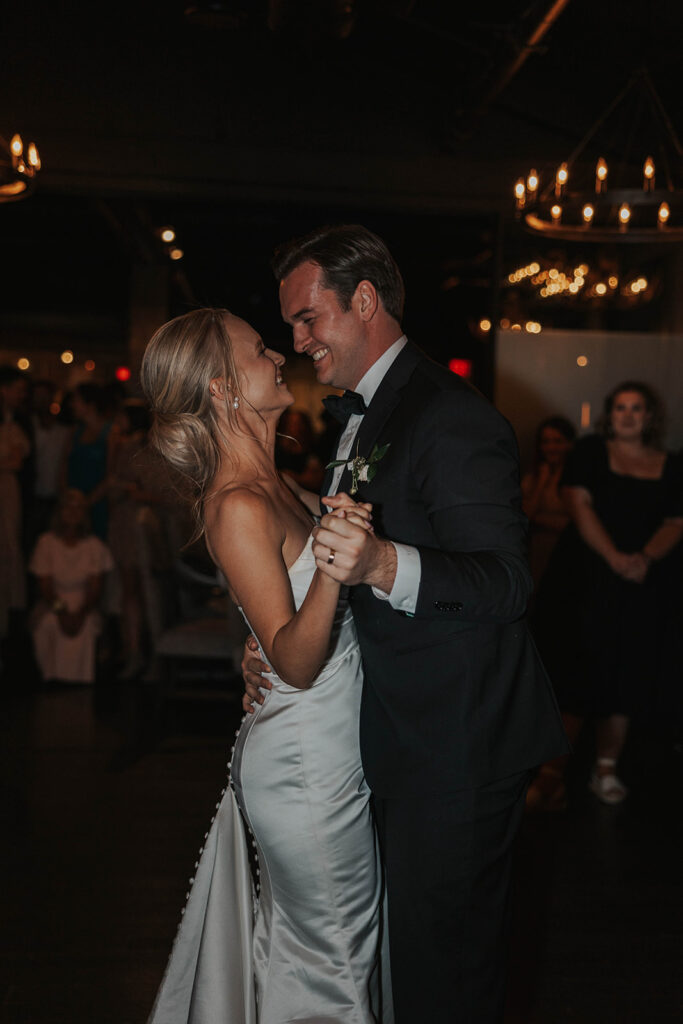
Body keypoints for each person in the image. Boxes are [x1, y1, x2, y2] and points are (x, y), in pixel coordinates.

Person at [242, 224, 568, 1023]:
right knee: (408, 960)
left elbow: (505, 583)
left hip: (456, 745)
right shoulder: (368, 409)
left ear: (363, 301)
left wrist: (384, 564)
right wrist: (273, 641)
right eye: (288, 325)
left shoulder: (450, 415)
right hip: (393, 734)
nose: (296, 340)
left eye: (307, 317)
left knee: (445, 975)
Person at [140, 308, 391, 1022]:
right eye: (259, 348)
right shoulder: (237, 505)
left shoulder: (280, 486)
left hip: (330, 746)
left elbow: (280, 632)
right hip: (305, 764)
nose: (278, 353)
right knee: (333, 961)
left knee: (323, 953)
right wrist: (333, 570)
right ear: (222, 388)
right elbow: (297, 661)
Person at [533, 382, 683, 805]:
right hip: (586, 580)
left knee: (628, 672)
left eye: (638, 408)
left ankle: (606, 768)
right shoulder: (591, 451)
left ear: (650, 416)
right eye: (621, 408)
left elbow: (676, 521)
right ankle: (552, 771)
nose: (629, 415)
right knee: (577, 671)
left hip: (642, 584)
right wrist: (616, 558)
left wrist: (643, 560)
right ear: (609, 414)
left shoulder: (670, 464)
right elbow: (578, 504)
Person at [29, 488, 114, 684]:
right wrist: (62, 612)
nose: (73, 512)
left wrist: (80, 613)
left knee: (88, 626)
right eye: (68, 507)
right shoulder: (46, 543)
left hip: (84, 603)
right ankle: (50, 677)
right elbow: (46, 587)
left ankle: (82, 680)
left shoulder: (94, 546)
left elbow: (95, 589)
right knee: (47, 623)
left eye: (78, 508)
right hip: (55, 603)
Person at [521, 415, 576, 589]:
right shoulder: (531, 480)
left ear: (569, 444)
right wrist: (541, 483)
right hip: (536, 557)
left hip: (569, 555)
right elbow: (522, 518)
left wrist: (538, 519)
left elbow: (575, 525)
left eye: (557, 441)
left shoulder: (576, 482)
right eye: (546, 441)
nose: (551, 447)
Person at [0, 366, 32, 643]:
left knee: (7, 550)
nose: (22, 396)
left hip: (8, 495)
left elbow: (16, 461)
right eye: (18, 390)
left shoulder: (16, 422)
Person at [62, 383, 115, 540]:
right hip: (73, 499)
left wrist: (88, 501)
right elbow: (64, 465)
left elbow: (111, 473)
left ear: (90, 405)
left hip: (98, 501)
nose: (72, 405)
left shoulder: (111, 434)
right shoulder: (74, 432)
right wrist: (67, 497)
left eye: (76, 400)